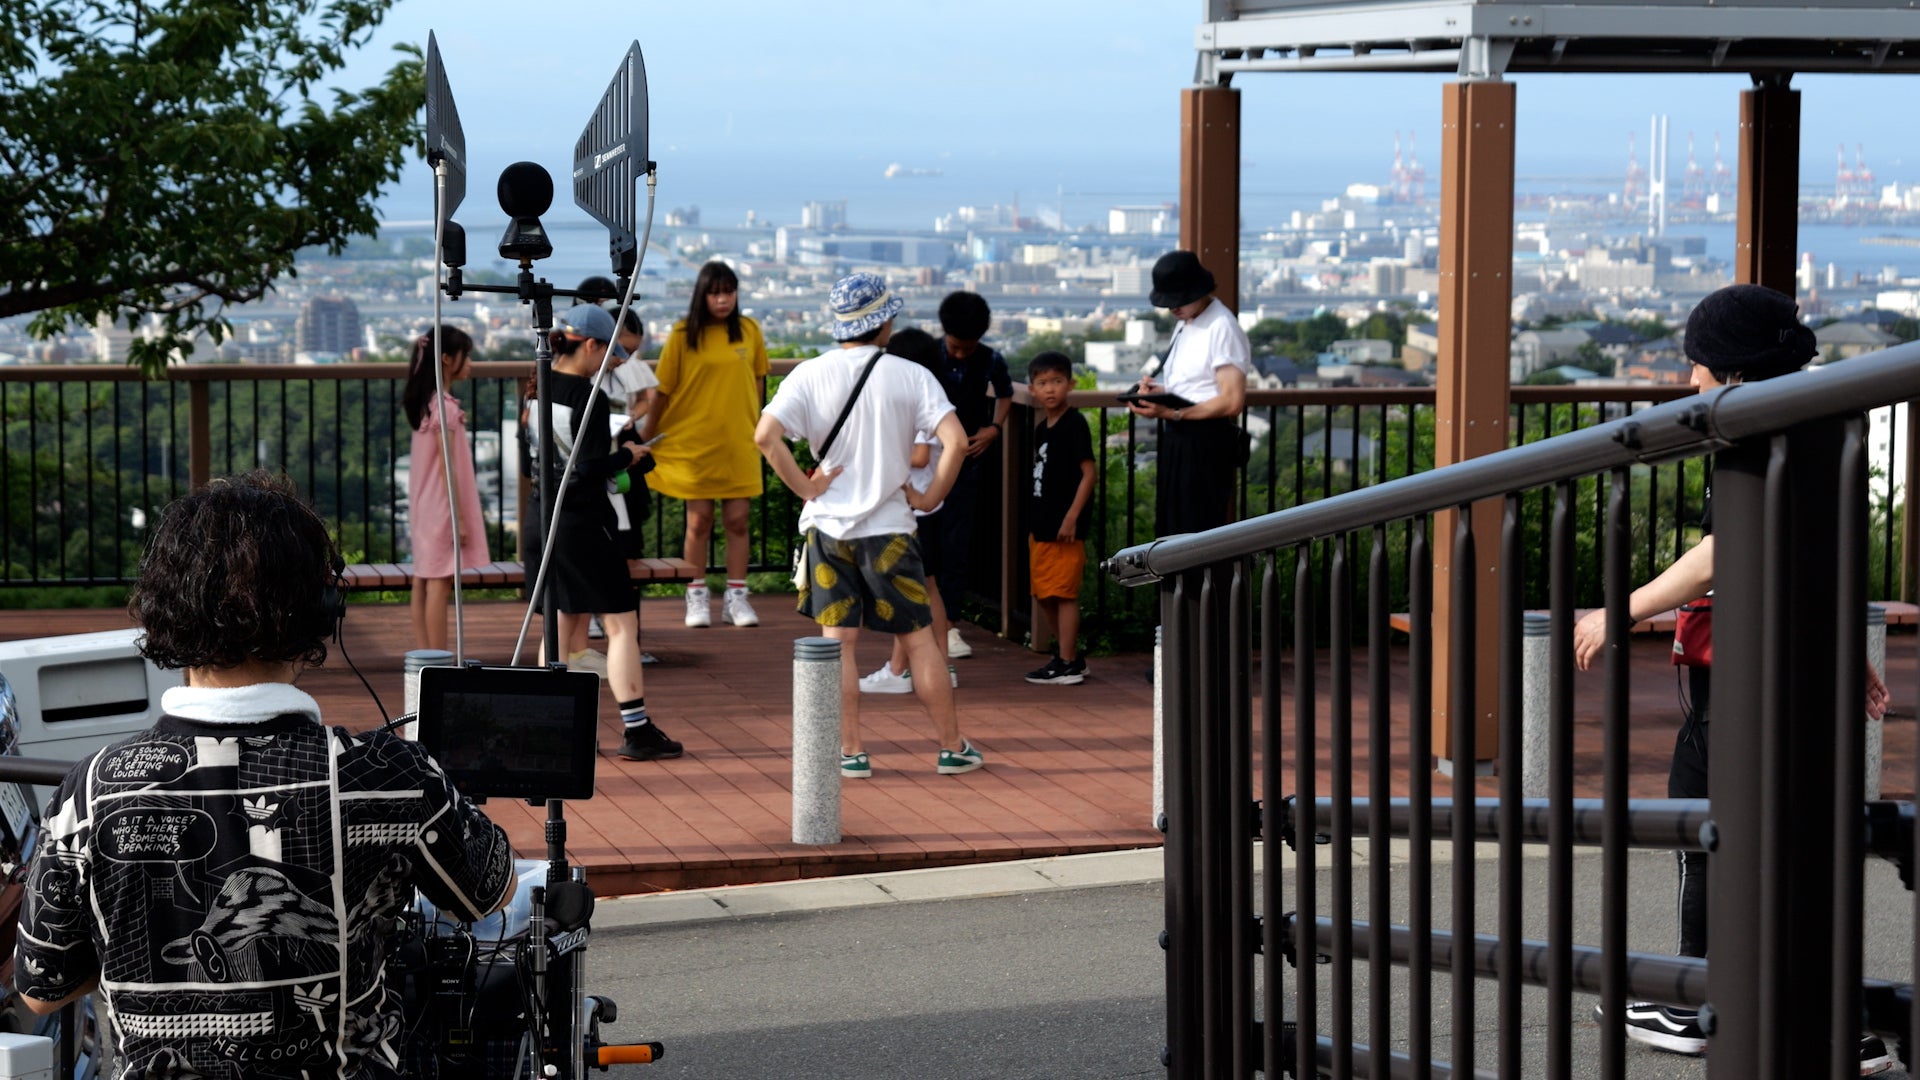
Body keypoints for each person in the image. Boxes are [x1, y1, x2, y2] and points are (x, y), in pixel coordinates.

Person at [12, 471, 517, 1078]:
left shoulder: (89, 791)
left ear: (162, 613)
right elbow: (493, 892)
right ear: (320, 612)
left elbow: (41, 988)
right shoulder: (388, 774)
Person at [1572, 283, 1892, 1072]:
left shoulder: (1755, 428)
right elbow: (1827, 553)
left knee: (1701, 820)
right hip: (1807, 670)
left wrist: (1621, 610)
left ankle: (1695, 1003)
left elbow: (1719, 553)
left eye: (1699, 364)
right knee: (1798, 842)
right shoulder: (1831, 419)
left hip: (1752, 679)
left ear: (1735, 370)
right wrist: (1849, 651)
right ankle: (1827, 1022)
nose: (1690, 380)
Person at [755, 272, 980, 779]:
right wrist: (930, 497)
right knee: (920, 640)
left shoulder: (809, 374)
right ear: (885, 322)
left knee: (838, 645)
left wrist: (807, 488)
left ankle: (851, 752)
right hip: (890, 528)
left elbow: (765, 436)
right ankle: (951, 748)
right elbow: (957, 442)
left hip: (828, 529)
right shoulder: (911, 375)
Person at [531, 304, 683, 762]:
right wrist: (628, 456)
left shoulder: (536, 387)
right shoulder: (588, 396)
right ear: (592, 345)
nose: (612, 363)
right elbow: (591, 466)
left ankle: (552, 727)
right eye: (609, 353)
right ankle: (636, 728)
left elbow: (536, 460)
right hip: (584, 521)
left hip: (545, 516)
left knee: (560, 621)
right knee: (621, 624)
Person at [643, 261, 770, 630]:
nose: (723, 300)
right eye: (715, 293)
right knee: (698, 522)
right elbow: (663, 391)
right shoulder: (683, 334)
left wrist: (760, 424)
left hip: (738, 441)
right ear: (702, 295)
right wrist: (647, 437)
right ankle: (696, 593)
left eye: (728, 292)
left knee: (738, 521)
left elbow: (758, 381)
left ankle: (736, 597)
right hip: (694, 443)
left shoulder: (749, 330)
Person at [856, 328, 959, 696]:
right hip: (926, 508)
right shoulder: (928, 395)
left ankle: (902, 671)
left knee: (910, 589)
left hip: (916, 510)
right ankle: (934, 667)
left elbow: (919, 455)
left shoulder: (916, 401)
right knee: (924, 589)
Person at [1125, 250, 1250, 537]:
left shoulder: (1221, 326)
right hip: (1179, 437)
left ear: (1199, 291)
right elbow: (1197, 384)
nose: (1173, 308)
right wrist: (1161, 393)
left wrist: (1173, 412)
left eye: (1178, 300)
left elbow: (1232, 400)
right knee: (1172, 528)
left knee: (1196, 529)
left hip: (1205, 442)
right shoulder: (1187, 322)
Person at [924, 291, 1013, 660]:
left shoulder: (990, 358)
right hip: (925, 462)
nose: (961, 354)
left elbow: (1006, 393)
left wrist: (994, 428)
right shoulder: (926, 356)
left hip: (965, 465)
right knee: (924, 544)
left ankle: (949, 623)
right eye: (955, 346)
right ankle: (924, 620)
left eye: (968, 347)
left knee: (955, 546)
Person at [405, 325, 489, 652]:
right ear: (446, 359)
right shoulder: (445, 408)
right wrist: (460, 518)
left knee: (422, 579)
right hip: (443, 506)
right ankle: (439, 658)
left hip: (423, 504)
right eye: (465, 356)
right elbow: (447, 466)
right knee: (440, 584)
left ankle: (424, 655)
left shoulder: (427, 403)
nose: (470, 363)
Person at [1023, 351, 1096, 686]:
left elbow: (1089, 473)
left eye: (1057, 381)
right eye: (1042, 383)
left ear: (1071, 384)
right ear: (1032, 390)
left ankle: (1068, 661)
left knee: (1064, 593)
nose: (1050, 389)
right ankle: (1066, 656)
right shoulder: (1042, 428)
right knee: (1044, 594)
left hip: (1065, 528)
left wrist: (1072, 517)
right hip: (1041, 524)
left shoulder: (1074, 424)